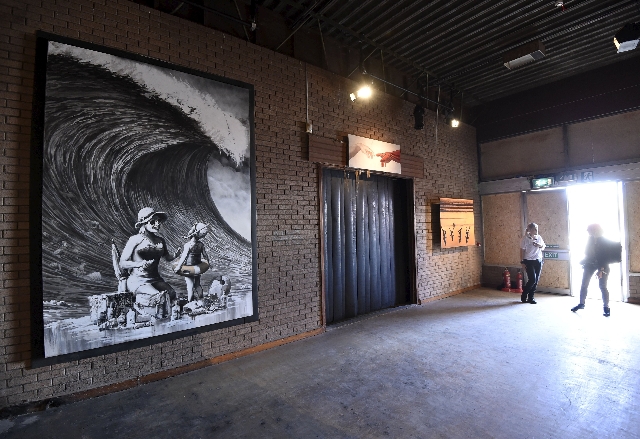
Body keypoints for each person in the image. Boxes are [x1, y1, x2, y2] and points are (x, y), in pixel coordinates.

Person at [119, 207, 178, 319]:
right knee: (157, 296)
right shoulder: (135, 239)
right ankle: (138, 307)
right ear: (143, 223)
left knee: (171, 294)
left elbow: (167, 257)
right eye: (153, 221)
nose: (157, 224)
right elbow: (122, 263)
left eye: (158, 221)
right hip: (138, 281)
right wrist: (139, 264)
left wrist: (175, 255)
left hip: (155, 279)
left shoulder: (160, 240)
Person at [571, 223, 611, 317]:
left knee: (602, 286)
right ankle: (581, 303)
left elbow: (605, 257)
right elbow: (587, 252)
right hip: (590, 264)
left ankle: (606, 307)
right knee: (584, 284)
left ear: (595, 230)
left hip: (602, 265)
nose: (587, 231)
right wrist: (584, 260)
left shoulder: (604, 241)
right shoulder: (590, 239)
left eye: (589, 229)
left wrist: (601, 270)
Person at [174, 222, 210, 302]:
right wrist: (208, 263)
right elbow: (205, 256)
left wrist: (178, 267)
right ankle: (201, 299)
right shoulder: (201, 245)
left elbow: (184, 257)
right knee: (197, 285)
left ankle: (190, 302)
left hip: (189, 269)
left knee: (190, 286)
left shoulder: (188, 245)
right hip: (197, 268)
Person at [520, 222, 546, 304]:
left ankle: (531, 298)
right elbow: (522, 251)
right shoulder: (524, 239)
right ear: (530, 230)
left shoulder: (539, 237)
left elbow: (543, 246)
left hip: (538, 260)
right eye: (535, 229)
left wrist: (539, 245)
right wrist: (522, 262)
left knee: (536, 280)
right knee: (532, 280)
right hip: (529, 261)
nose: (536, 230)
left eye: (537, 229)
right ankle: (524, 295)